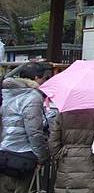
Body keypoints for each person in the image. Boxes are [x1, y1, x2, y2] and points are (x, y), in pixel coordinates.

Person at [0, 62, 49, 193]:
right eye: (44, 78)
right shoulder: (32, 97)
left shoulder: (7, 93)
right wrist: (41, 156)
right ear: (37, 78)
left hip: (4, 152)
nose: (44, 82)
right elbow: (34, 131)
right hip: (23, 157)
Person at [49, 108, 94, 193]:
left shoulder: (63, 111)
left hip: (67, 160)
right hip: (90, 160)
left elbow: (53, 142)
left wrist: (61, 155)